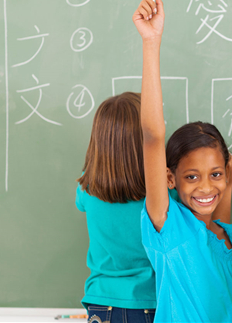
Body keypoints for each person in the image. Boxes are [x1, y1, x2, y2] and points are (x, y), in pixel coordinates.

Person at [132, 0, 232, 323]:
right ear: (170, 178)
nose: (204, 187)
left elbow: (217, 225)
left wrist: (225, 185)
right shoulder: (169, 225)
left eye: (215, 174)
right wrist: (151, 42)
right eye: (191, 176)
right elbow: (153, 138)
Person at [76, 92, 156, 323]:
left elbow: (81, 205)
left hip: (101, 301)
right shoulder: (162, 190)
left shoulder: (86, 186)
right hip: (147, 301)